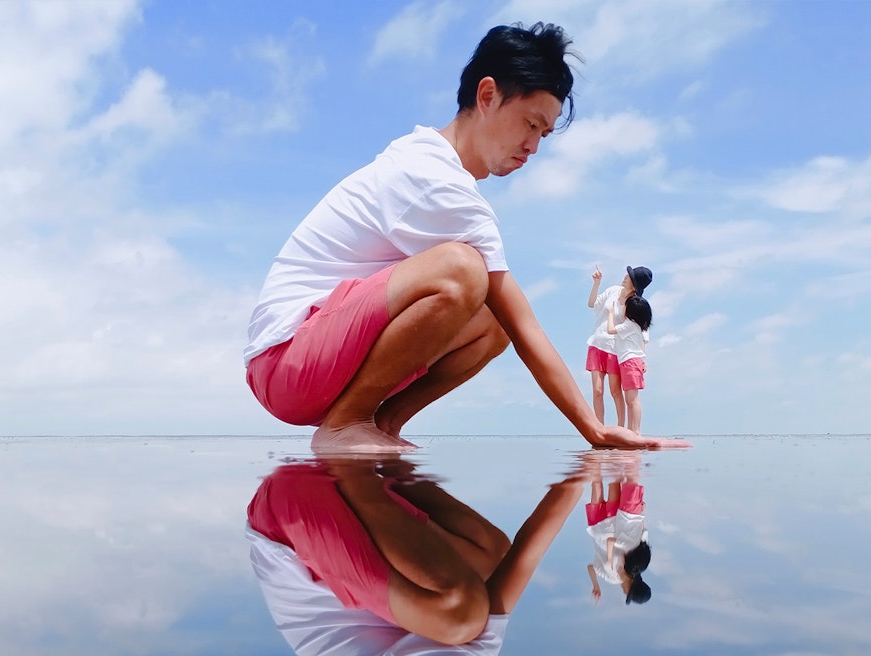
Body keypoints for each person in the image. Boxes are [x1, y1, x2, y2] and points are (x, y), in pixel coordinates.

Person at [243, 22, 686, 453]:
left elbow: (512, 322)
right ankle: (346, 423)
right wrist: (594, 428)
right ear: (488, 95)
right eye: (530, 124)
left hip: (307, 364)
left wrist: (594, 427)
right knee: (463, 270)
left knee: (491, 317)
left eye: (544, 134)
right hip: (285, 361)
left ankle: (382, 424)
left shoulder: (438, 171)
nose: (534, 146)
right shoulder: (431, 176)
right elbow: (526, 325)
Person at [247, 454, 588, 656]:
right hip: (286, 516)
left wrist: (584, 473)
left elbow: (524, 560)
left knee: (461, 616)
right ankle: (391, 462)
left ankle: (354, 471)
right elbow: (512, 564)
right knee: (490, 563)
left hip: (292, 523)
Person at [585, 265, 652, 426]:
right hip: (597, 343)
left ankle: (620, 427)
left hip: (616, 350)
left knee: (615, 391)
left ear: (634, 284)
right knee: (597, 390)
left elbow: (641, 333)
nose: (625, 277)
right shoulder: (613, 291)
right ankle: (599, 428)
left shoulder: (634, 303)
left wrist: (642, 358)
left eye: (629, 277)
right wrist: (597, 283)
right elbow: (592, 304)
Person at [584, 451, 651, 605]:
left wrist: (596, 585)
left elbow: (591, 567)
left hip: (596, 526)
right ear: (633, 586)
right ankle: (612, 449)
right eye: (628, 592)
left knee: (596, 483)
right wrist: (609, 559)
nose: (624, 592)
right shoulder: (633, 563)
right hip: (613, 520)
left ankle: (596, 451)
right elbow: (638, 536)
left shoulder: (611, 578)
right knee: (615, 481)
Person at [605, 293, 652, 434]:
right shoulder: (634, 325)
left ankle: (635, 431)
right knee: (630, 400)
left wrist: (611, 313)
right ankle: (632, 431)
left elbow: (610, 330)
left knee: (632, 400)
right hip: (629, 362)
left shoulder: (629, 325)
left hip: (630, 362)